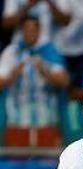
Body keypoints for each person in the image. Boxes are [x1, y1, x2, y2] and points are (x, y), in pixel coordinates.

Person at [0, 16, 69, 148]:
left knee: (48, 159)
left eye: (33, 30)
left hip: (46, 120)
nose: (30, 33)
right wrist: (13, 75)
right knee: (16, 158)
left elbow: (64, 82)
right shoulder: (11, 52)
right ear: (21, 31)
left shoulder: (49, 51)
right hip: (17, 120)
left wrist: (45, 71)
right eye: (26, 30)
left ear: (39, 31)